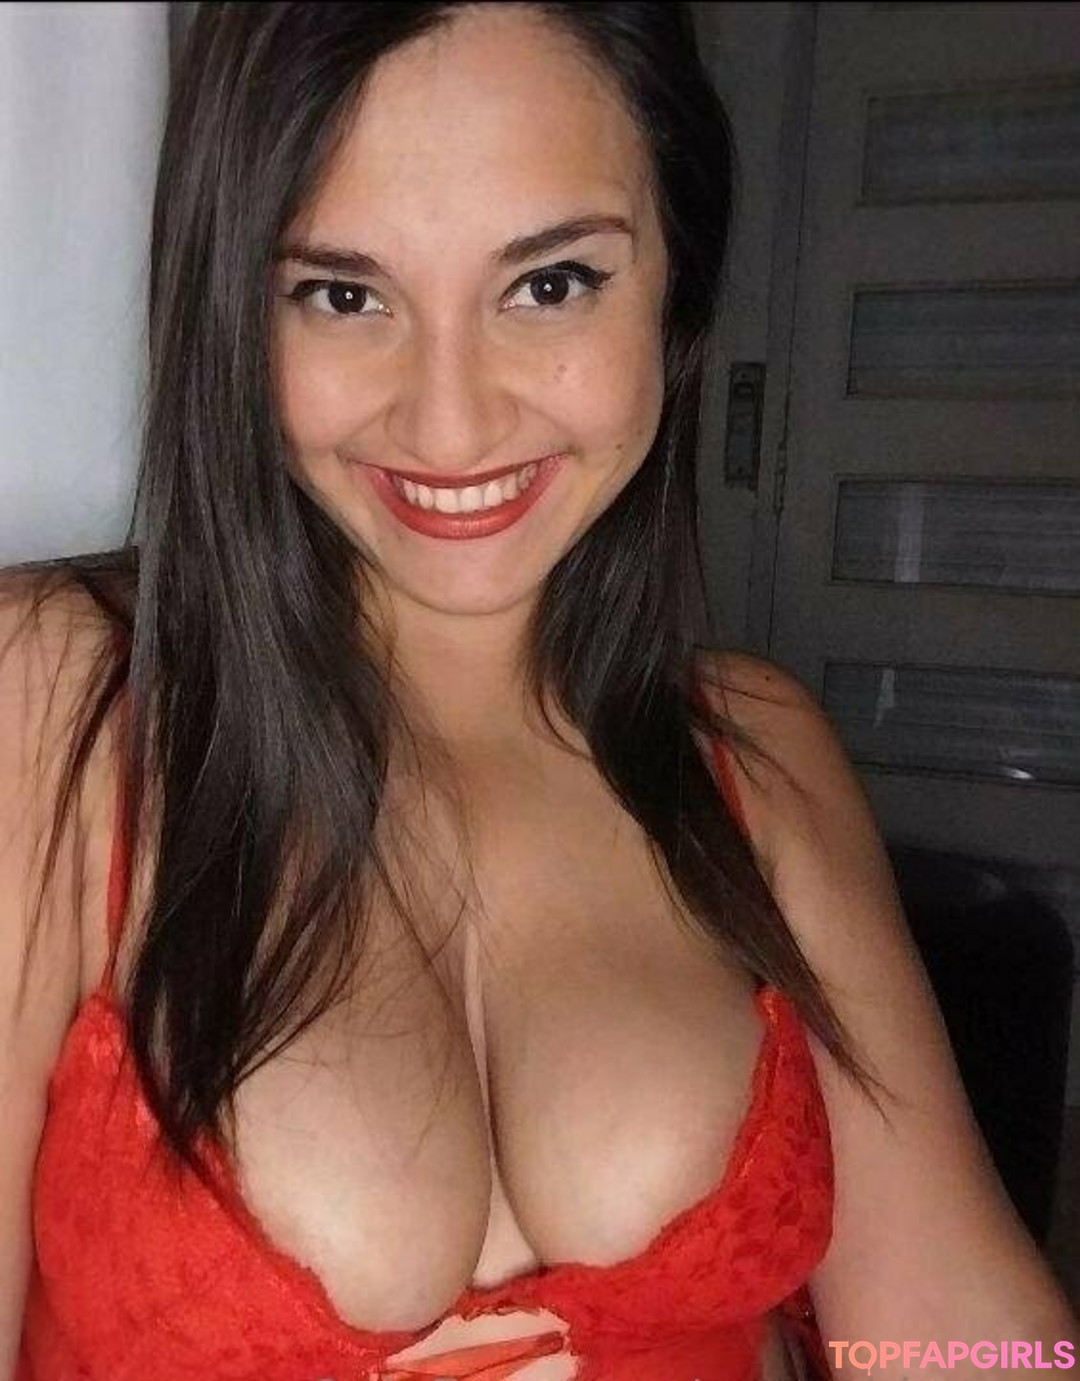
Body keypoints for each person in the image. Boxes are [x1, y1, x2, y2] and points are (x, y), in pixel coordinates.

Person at [2, 3, 1075, 1378]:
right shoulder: (58, 702)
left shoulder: (750, 755)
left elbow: (964, 1340)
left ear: (677, 281)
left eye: (551, 283)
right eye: (342, 294)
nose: (450, 422)